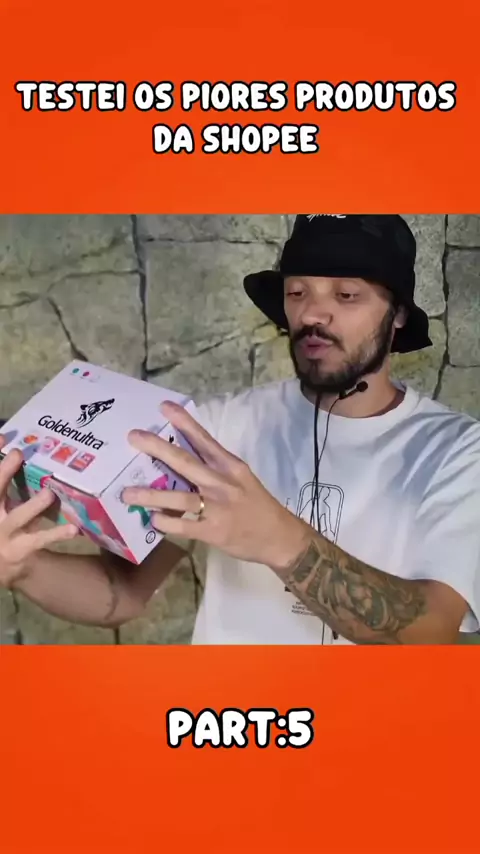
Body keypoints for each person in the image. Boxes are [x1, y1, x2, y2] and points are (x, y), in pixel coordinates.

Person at [1, 214, 479, 645]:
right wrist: (22, 569)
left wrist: (277, 538)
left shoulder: (457, 451)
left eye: (346, 295)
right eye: (298, 292)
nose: (313, 314)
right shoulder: (219, 429)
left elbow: (432, 630)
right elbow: (122, 593)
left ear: (398, 314)